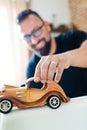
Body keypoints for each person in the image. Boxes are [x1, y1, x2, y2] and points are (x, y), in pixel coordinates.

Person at [16, 9, 87, 98]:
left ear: (47, 26)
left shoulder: (73, 37)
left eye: (36, 31)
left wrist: (65, 58)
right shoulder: (31, 68)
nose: (34, 40)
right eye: (27, 37)